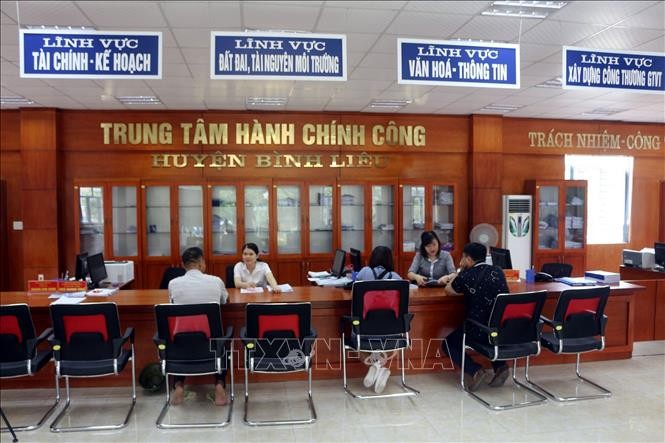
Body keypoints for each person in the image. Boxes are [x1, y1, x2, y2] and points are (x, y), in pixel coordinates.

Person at [443, 242, 510, 391]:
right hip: (499, 328)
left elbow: (448, 290)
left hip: (477, 329)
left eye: (463, 257)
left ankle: (475, 370)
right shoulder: (498, 271)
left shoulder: (467, 275)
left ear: (468, 259)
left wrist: (457, 274)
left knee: (448, 343)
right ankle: (501, 366)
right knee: (490, 336)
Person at [167, 246, 229, 406]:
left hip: (181, 344)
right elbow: (224, 301)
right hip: (211, 344)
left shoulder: (173, 283)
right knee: (224, 340)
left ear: (183, 265)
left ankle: (179, 386)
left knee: (178, 341)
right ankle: (219, 385)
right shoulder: (216, 281)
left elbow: (172, 305)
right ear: (202, 262)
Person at [354, 246, 402, 393]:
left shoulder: (364, 272)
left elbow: (353, 288)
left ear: (372, 258)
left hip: (365, 330)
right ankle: (381, 370)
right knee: (384, 342)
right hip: (391, 332)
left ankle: (374, 368)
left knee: (358, 341)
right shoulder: (395, 277)